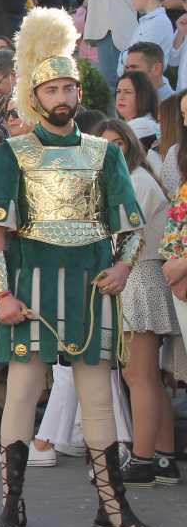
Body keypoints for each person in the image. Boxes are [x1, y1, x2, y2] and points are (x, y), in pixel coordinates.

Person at [0, 6, 156, 527]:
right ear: (35, 97)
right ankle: (11, 504)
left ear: (79, 93)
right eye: (51, 89)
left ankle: (112, 506)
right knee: (23, 391)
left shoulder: (105, 154)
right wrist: (2, 294)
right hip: (30, 289)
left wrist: (123, 267)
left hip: (91, 290)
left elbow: (131, 226)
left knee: (98, 397)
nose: (60, 97)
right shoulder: (12, 154)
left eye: (67, 88)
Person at [90, 119, 179, 487]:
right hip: (138, 277)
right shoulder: (128, 179)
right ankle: (163, 458)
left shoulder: (137, 181)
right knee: (146, 377)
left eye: (118, 143)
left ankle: (143, 460)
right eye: (103, 144)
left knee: (139, 376)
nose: (110, 150)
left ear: (130, 145)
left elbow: (121, 237)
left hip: (140, 277)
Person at [119, 0, 175, 94]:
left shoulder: (158, 23)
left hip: (148, 89)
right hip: (140, 86)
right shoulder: (149, 21)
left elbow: (136, 59)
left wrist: (124, 58)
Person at [115, 71, 161, 158]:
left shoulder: (140, 124)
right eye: (118, 91)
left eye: (128, 92)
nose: (121, 97)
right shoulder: (142, 122)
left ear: (143, 96)